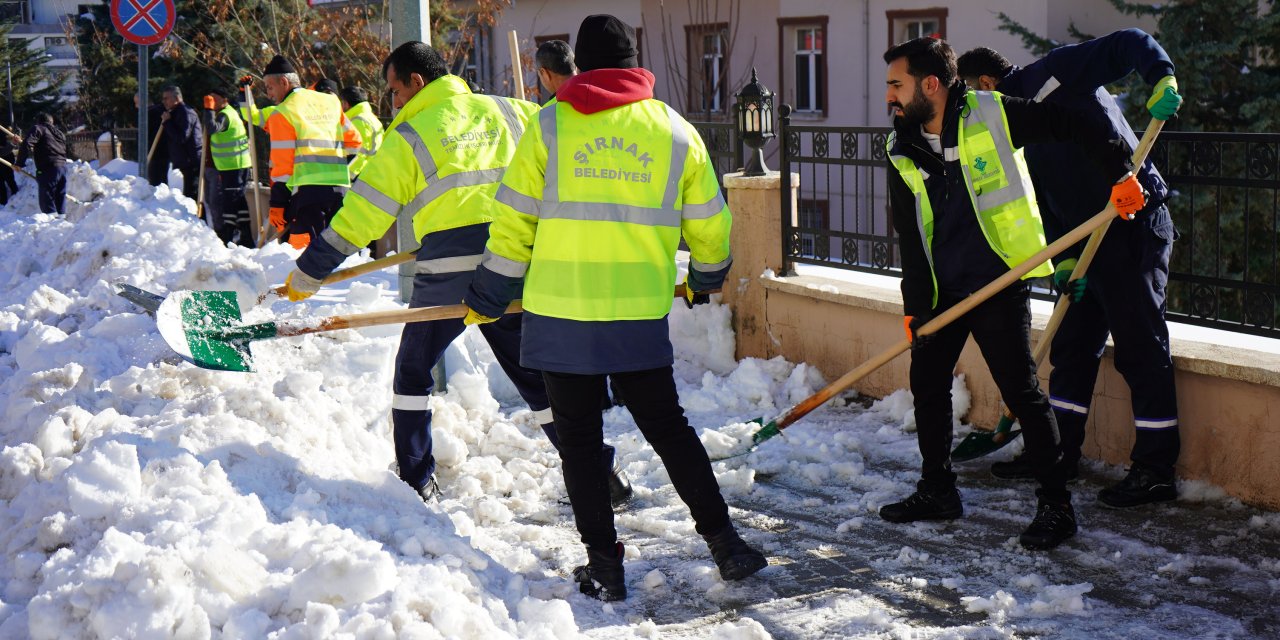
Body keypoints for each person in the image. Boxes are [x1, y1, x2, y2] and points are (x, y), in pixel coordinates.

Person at [463, 14, 767, 601]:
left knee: (578, 443)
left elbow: (515, 220)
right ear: (634, 63)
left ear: (581, 63)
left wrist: (493, 288)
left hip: (561, 313)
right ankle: (726, 544)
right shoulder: (675, 131)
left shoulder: (550, 127)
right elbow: (710, 226)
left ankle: (605, 568)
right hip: (635, 314)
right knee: (671, 431)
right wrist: (705, 276)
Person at [282, 41, 633, 507]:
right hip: (514, 265)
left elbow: (363, 213)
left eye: (395, 90)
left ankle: (417, 483)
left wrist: (312, 270)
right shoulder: (513, 111)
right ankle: (601, 473)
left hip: (450, 271)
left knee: (412, 374)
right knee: (537, 379)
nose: (395, 101)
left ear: (417, 82)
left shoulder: (409, 134)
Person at [880, 37, 1146, 550]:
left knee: (1021, 392)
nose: (889, 95)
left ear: (929, 85)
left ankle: (1056, 506)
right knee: (927, 386)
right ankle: (938, 489)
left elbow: (1077, 124)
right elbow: (909, 238)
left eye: (897, 84)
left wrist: (1120, 174)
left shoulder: (993, 113)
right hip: (943, 290)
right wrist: (916, 309)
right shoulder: (901, 148)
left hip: (999, 279)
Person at [957, 30, 1184, 509]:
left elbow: (1128, 42)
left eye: (969, 96)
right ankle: (1058, 453)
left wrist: (1161, 77)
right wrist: (1062, 261)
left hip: (1133, 224)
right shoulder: (1018, 130)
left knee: (1140, 346)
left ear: (986, 83)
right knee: (1072, 349)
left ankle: (1156, 469)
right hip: (1087, 242)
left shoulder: (1058, 71)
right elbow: (1047, 199)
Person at [258, 55, 363, 249]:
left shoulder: (283, 112)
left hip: (308, 195)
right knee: (334, 252)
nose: (268, 93)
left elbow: (283, 165)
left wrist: (278, 203)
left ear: (283, 82)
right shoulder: (330, 102)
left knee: (304, 253)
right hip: (339, 189)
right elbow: (355, 142)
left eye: (269, 87)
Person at [205, 88, 256, 247]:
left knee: (230, 200)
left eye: (214, 99)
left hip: (234, 166)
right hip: (235, 164)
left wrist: (208, 110)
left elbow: (212, 128)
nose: (212, 102)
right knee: (238, 200)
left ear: (224, 99)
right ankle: (246, 237)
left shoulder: (225, 115)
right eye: (209, 99)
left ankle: (227, 235)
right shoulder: (230, 112)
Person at [17, 113, 68, 215]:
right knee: (59, 196)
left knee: (47, 200)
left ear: (39, 121)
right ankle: (61, 223)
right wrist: (21, 142)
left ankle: (50, 224)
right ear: (51, 122)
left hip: (48, 168)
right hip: (62, 168)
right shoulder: (59, 134)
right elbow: (45, 145)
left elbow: (27, 144)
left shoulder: (39, 128)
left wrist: (19, 163)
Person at [159, 85, 204, 202]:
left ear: (176, 98)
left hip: (191, 160)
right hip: (186, 161)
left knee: (192, 195)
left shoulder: (185, 113)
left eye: (166, 98)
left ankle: (195, 219)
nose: (164, 101)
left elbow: (181, 137)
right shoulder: (175, 112)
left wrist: (168, 123)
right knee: (189, 193)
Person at [339, 85, 384, 179]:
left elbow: (359, 154)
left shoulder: (358, 122)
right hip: (372, 173)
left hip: (359, 177)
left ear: (345, 103)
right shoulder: (371, 119)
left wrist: (347, 176)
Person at [135, 93, 169, 187]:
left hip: (155, 154)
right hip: (161, 153)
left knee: (156, 183)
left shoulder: (149, 114)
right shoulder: (158, 111)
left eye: (137, 103)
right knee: (161, 183)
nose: (136, 106)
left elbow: (145, 136)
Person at [0, 130, 19, 206]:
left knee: (10, 181)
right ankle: (3, 201)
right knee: (1, 183)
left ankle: (16, 197)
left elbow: (4, 151)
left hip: (6, 163)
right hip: (5, 162)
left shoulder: (5, 145)